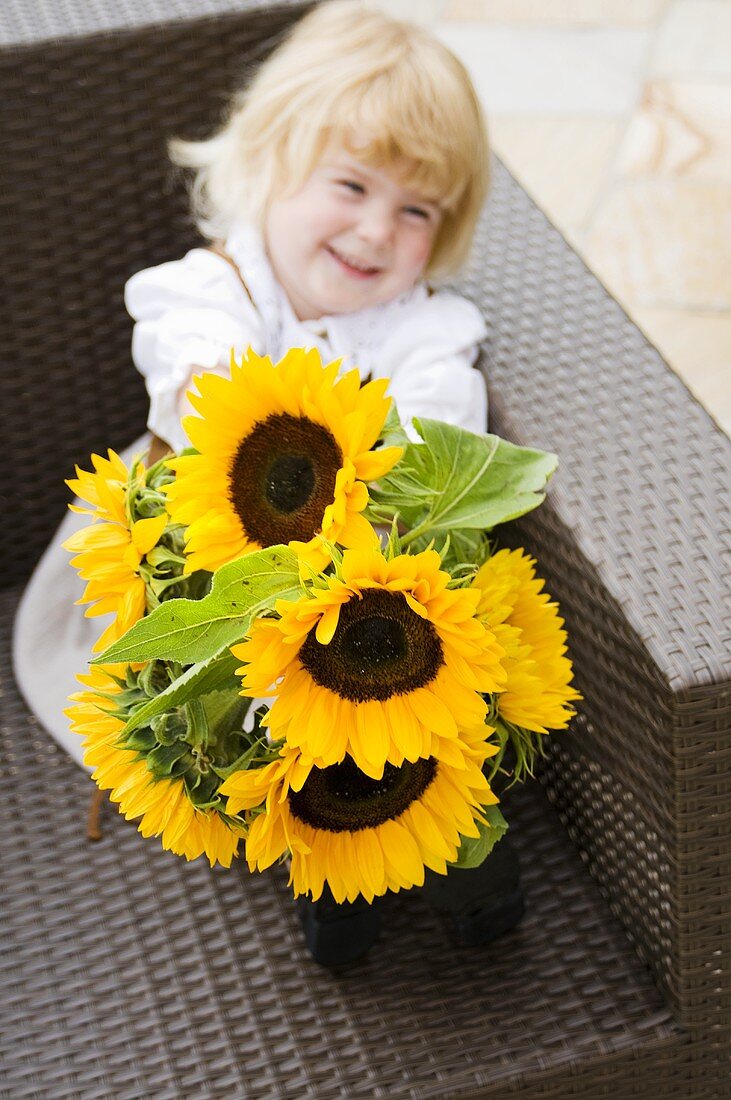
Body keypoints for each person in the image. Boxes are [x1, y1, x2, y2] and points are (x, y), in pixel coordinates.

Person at [12, 1, 491, 769]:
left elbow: (439, 422)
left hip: (349, 579)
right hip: (188, 548)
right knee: (183, 710)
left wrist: (386, 490)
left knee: (367, 733)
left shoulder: (420, 326)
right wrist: (244, 420)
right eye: (350, 185)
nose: (375, 231)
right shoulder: (221, 285)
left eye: (415, 209)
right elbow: (201, 370)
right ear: (270, 166)